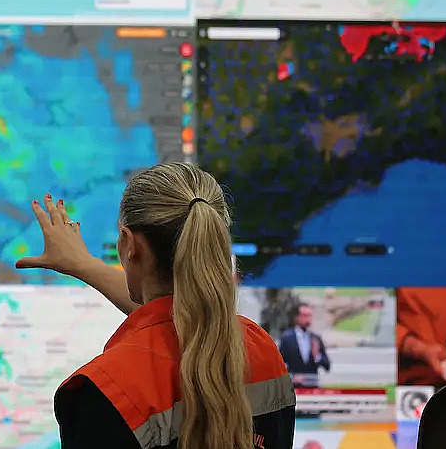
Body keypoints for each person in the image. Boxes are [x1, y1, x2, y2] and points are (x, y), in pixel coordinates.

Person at [17, 162, 296, 449]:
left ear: (129, 245)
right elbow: (175, 312)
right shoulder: (261, 349)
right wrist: (84, 265)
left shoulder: (104, 389)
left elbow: (164, 323)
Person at [278, 303, 331, 385]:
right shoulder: (287, 338)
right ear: (297, 317)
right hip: (293, 386)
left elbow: (327, 366)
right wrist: (291, 376)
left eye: (310, 316)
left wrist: (317, 356)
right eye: (305, 315)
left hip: (312, 385)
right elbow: (279, 364)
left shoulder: (316, 339)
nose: (308, 319)